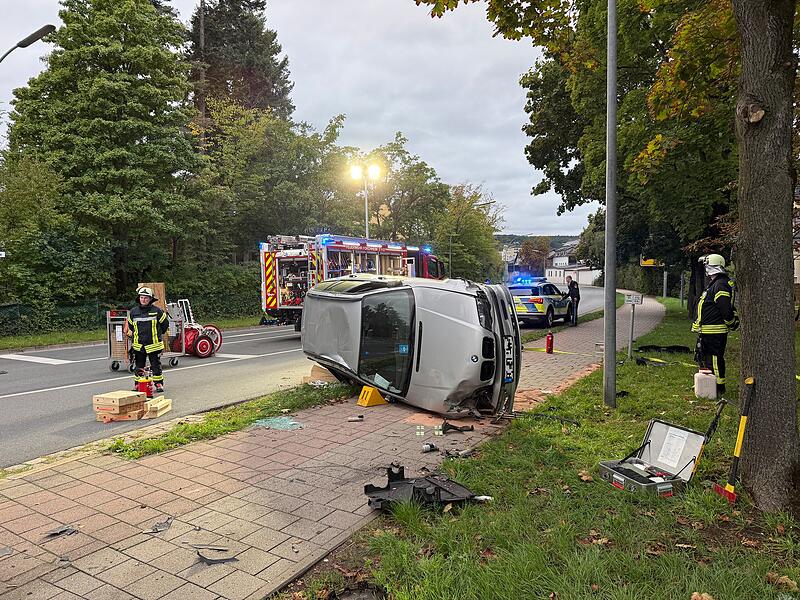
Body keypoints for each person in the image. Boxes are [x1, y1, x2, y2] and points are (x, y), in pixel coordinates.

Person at [692, 254, 739, 395]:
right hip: (707, 330)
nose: (705, 269)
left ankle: (719, 388)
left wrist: (731, 323)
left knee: (714, 359)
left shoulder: (721, 284)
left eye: (707, 266)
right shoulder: (715, 283)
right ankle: (708, 386)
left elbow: (725, 308)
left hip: (715, 331)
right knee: (704, 358)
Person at [126, 286, 169, 393]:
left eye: (146, 298)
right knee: (139, 366)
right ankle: (138, 385)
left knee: (155, 365)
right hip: (139, 345)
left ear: (150, 299)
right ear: (139, 299)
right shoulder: (133, 312)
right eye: (142, 297)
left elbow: (165, 325)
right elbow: (131, 327)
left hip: (153, 345)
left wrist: (157, 335)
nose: (143, 299)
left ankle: (158, 384)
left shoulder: (157, 311)